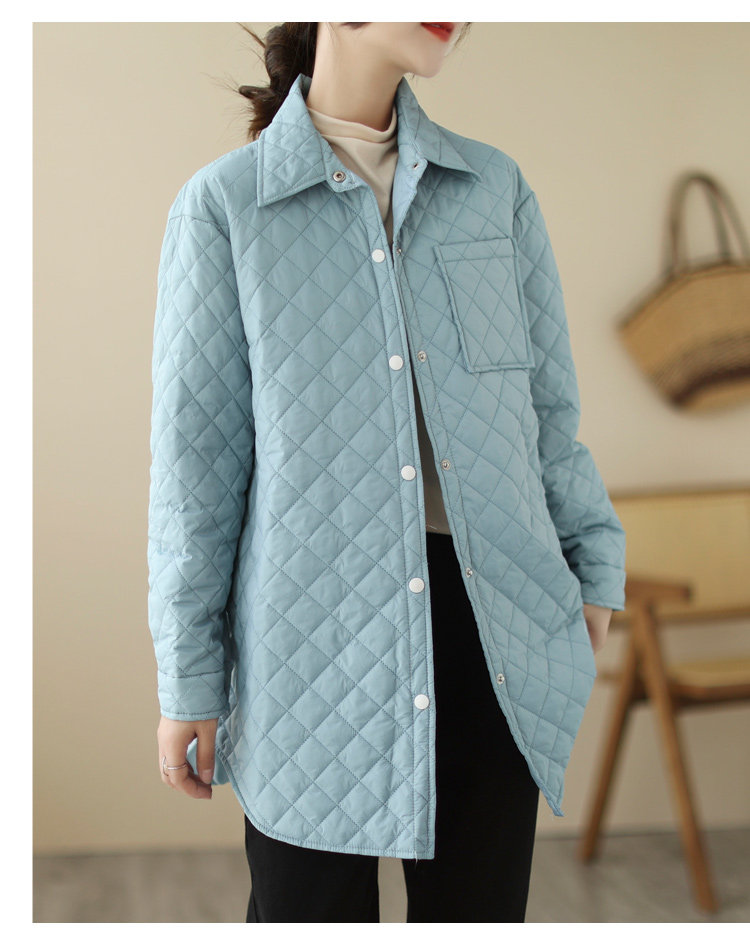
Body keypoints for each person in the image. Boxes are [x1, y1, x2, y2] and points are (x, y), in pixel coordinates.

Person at [148, 22, 627, 923]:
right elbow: (196, 470)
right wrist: (188, 678)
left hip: (493, 623)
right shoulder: (226, 207)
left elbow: (545, 412)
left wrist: (594, 566)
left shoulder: (494, 189)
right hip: (308, 635)